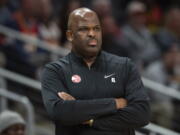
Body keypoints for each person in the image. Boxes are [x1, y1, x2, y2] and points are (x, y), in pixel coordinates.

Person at [41, 7, 150, 135]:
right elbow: (60, 112)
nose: (92, 34)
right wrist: (116, 103)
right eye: (84, 29)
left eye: (96, 28)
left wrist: (91, 120)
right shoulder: (55, 71)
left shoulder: (124, 66)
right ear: (70, 35)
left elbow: (142, 114)